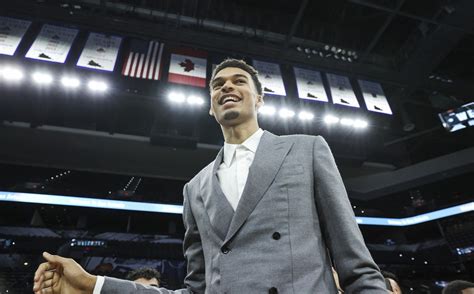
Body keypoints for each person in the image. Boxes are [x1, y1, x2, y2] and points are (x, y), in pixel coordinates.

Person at [33, 59, 387, 293]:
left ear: (259, 99)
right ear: (210, 105)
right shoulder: (195, 189)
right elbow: (196, 291)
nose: (226, 87)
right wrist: (92, 284)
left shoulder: (307, 150)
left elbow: (357, 267)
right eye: (218, 85)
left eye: (239, 81)